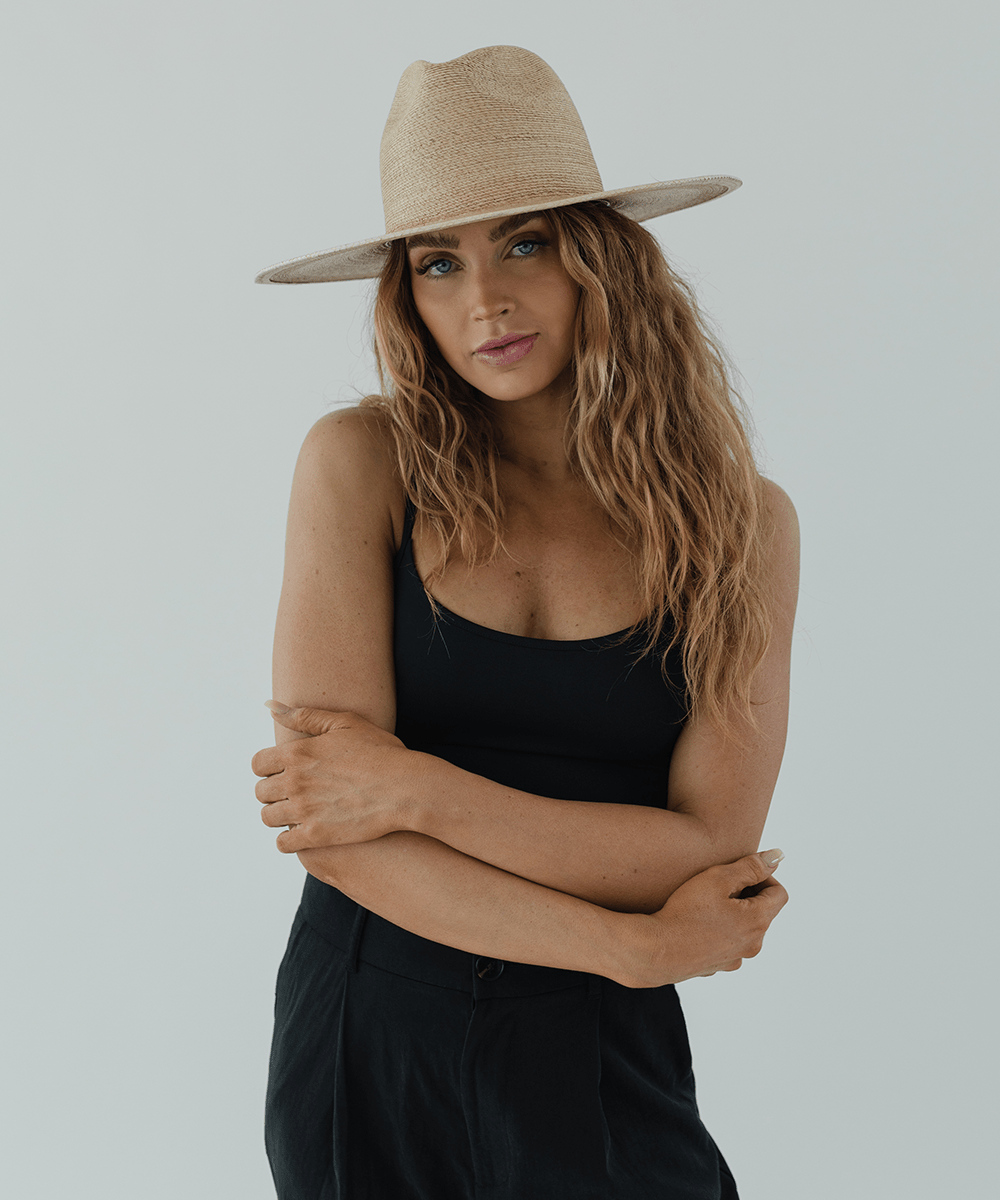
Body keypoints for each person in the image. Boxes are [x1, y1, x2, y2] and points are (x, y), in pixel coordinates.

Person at [251, 45, 798, 1200]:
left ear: (600, 257)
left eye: (525, 243)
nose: (483, 301)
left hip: (602, 1046)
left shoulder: (741, 524)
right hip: (371, 1034)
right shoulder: (362, 465)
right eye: (438, 263)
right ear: (406, 295)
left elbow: (708, 846)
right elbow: (333, 831)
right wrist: (631, 944)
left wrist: (417, 789)